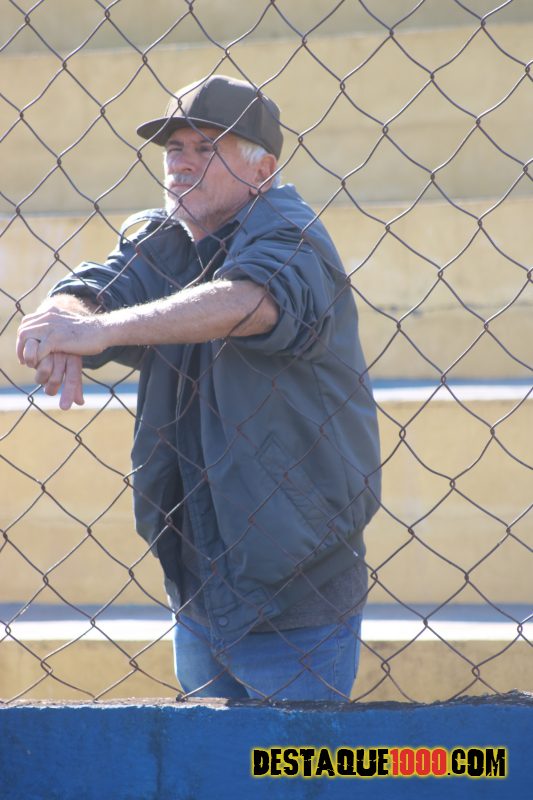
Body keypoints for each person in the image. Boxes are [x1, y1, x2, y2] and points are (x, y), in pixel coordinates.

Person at [16, 74, 381, 701]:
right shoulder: (169, 239)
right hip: (198, 583)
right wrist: (63, 319)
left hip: (297, 592)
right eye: (173, 149)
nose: (181, 163)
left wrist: (98, 332)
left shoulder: (292, 234)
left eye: (206, 148)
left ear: (262, 170)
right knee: (205, 756)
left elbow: (251, 302)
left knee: (291, 759)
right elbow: (99, 283)